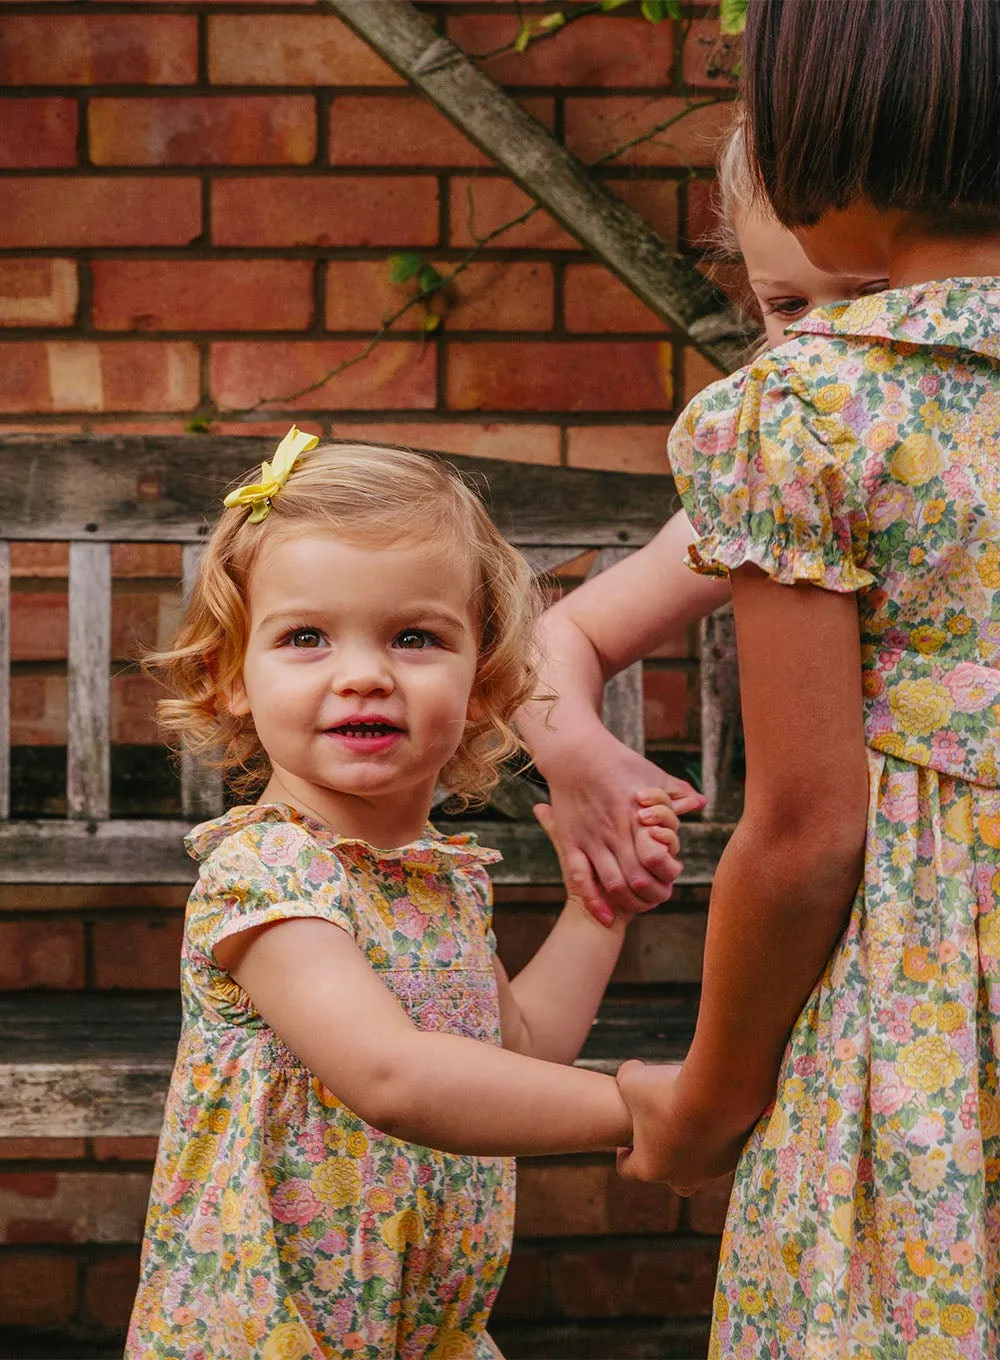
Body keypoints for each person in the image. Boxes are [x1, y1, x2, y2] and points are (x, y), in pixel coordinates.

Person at [547, 0, 1000, 1352]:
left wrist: (705, 1104)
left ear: (808, 138)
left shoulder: (811, 415)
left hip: (929, 1022)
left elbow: (807, 834)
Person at [124, 429, 680, 1360]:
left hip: (425, 1331)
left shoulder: (435, 881)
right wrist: (648, 1104)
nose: (365, 672)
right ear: (228, 676)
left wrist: (600, 908)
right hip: (274, 1335)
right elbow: (395, 1078)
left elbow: (523, 1048)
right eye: (305, 638)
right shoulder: (265, 872)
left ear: (484, 683)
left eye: (415, 637)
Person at [518, 114, 890, 924]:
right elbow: (557, 638)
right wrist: (580, 756)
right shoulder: (776, 474)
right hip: (861, 914)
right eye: (788, 307)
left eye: (871, 300)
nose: (819, 344)